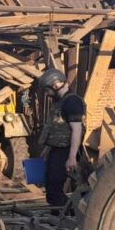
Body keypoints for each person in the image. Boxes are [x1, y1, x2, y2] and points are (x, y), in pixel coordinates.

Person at [36, 68, 85, 207]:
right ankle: (56, 214)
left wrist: (72, 157)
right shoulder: (60, 102)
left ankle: (65, 214)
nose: (47, 95)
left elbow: (77, 130)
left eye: (47, 91)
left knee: (55, 185)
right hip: (57, 149)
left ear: (55, 85)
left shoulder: (72, 102)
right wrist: (47, 149)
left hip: (65, 150)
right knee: (51, 185)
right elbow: (54, 128)